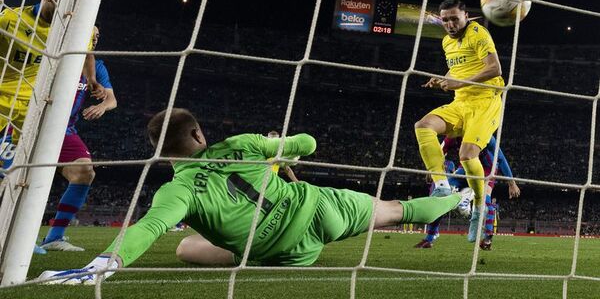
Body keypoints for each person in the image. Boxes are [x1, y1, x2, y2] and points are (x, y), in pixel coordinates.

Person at [39, 108, 471, 284]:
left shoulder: (177, 189)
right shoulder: (243, 144)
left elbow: (148, 227)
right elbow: (309, 144)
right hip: (320, 208)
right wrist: (279, 145)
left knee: (186, 246)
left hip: (283, 252)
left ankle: (252, 249)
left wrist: (103, 264)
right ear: (198, 133)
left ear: (160, 152)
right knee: (399, 209)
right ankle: (460, 197)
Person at [414, 0, 505, 240]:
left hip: (486, 101)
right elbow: (456, 70)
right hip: (460, 102)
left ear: (466, 16)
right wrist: (442, 78)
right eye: (445, 20)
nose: (451, 24)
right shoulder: (446, 42)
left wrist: (458, 82)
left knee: (467, 155)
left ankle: (478, 205)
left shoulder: (478, 32)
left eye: (455, 18)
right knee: (423, 126)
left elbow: (495, 68)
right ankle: (442, 186)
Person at [0, 0, 104, 169]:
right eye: (66, 6)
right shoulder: (10, 20)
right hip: (2, 96)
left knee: (18, 166)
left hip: (32, 106)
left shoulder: (81, 28)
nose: (70, 14)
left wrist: (91, 79)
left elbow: (86, 52)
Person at [39, 28, 117, 252]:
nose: (94, 38)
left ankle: (54, 237)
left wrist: (102, 106)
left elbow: (112, 100)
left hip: (65, 131)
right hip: (32, 125)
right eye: (90, 33)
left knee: (85, 172)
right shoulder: (56, 56)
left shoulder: (98, 67)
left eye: (97, 36)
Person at [414, 135, 520, 250]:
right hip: (465, 167)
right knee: (442, 194)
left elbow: (500, 158)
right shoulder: (453, 134)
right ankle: (430, 237)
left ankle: (487, 239)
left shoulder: (485, 134)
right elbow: (439, 151)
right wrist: (433, 169)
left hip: (487, 169)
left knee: (486, 199)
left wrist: (511, 183)